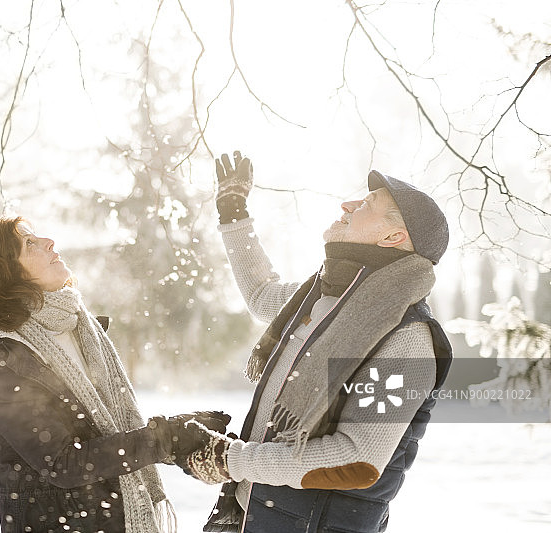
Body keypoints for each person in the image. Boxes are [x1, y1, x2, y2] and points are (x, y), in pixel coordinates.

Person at [175, 152, 453, 533]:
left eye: (368, 204)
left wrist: (232, 459)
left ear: (393, 237)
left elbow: (357, 460)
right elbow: (261, 292)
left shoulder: (407, 339)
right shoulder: (325, 299)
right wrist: (233, 212)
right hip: (253, 517)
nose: (348, 204)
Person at [0, 216, 230, 533]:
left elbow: (104, 435)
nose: (49, 242)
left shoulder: (80, 329)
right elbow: (64, 463)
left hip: (113, 519)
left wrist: (181, 443)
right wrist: (166, 439)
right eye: (29, 243)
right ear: (4, 274)